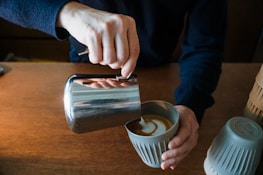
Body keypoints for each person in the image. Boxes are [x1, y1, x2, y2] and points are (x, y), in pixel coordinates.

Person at [0, 0, 227, 170]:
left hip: (160, 71)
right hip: (88, 72)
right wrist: (67, 12)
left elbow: (205, 46)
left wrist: (191, 104)